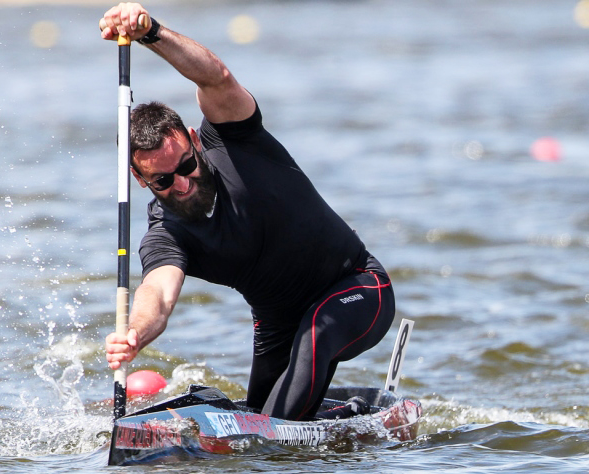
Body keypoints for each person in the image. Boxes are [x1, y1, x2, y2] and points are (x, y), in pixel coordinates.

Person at [101, 3, 395, 421]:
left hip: (360, 288)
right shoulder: (167, 233)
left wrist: (151, 32)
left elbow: (215, 77)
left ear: (192, 140)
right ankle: (347, 417)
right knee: (260, 411)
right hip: (277, 328)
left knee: (308, 349)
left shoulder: (232, 140)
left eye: (185, 166)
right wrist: (134, 335)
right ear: (139, 179)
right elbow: (159, 294)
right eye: (163, 180)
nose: (182, 184)